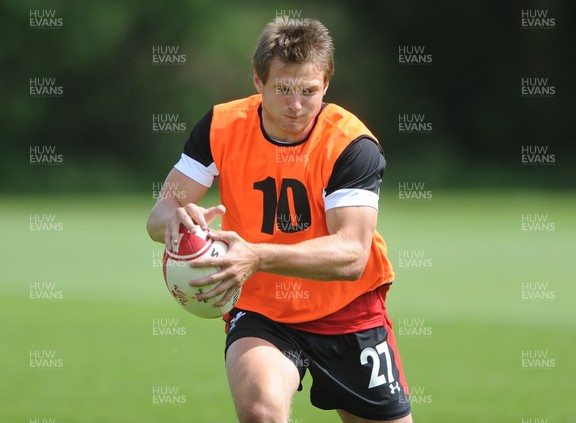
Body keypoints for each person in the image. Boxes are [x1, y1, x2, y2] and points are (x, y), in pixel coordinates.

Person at [147, 16, 413, 423]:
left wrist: (255, 256)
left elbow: (351, 255)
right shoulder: (222, 126)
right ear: (258, 81)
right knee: (260, 411)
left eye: (309, 91)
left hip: (348, 311)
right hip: (261, 310)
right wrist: (178, 217)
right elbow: (158, 215)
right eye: (283, 89)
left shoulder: (350, 145)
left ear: (326, 83)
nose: (295, 105)